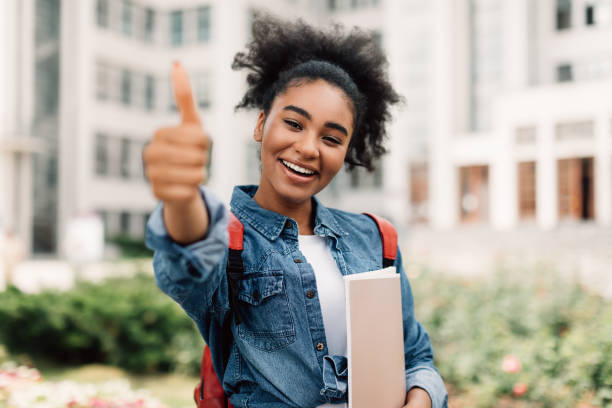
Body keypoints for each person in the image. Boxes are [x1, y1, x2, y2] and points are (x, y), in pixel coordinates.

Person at [144, 15, 447, 408]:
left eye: (332, 138)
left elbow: (415, 358)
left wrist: (420, 400)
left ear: (346, 152)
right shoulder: (231, 241)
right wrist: (182, 199)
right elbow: (187, 262)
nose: (308, 148)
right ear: (260, 124)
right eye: (293, 123)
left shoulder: (374, 238)